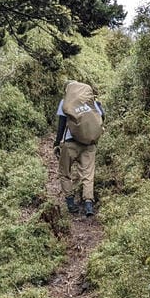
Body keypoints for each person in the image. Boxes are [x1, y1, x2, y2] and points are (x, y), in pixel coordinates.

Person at [53, 80, 104, 217]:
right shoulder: (90, 101)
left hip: (70, 143)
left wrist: (57, 142)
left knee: (64, 172)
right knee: (88, 175)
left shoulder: (65, 102)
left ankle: (70, 203)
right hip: (89, 144)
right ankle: (88, 205)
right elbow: (101, 116)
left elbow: (61, 124)